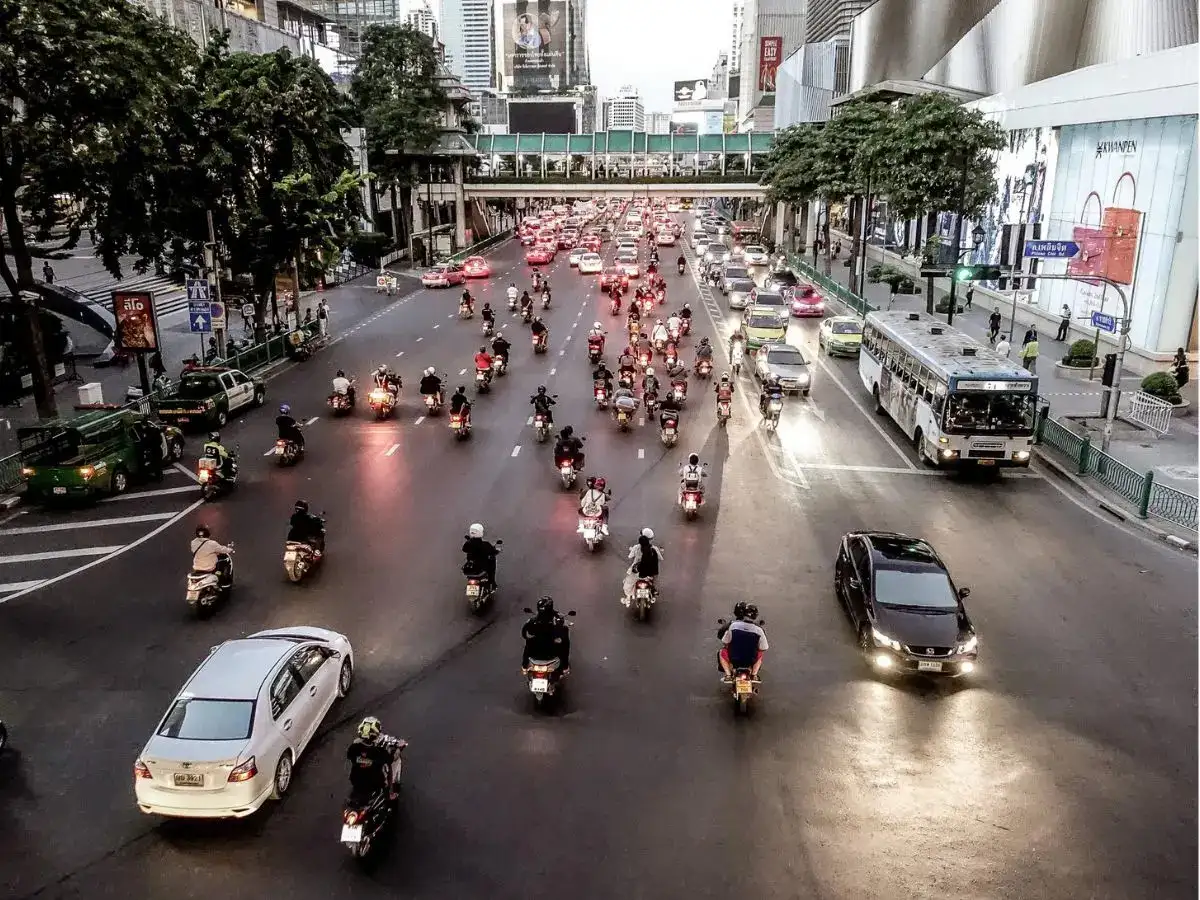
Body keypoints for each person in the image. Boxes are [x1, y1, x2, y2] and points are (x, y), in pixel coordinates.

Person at [346, 717, 406, 802]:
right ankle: (389, 795)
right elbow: (392, 758)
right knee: (387, 769)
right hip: (374, 783)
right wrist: (399, 748)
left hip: (355, 780)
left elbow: (350, 756)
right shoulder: (378, 752)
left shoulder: (353, 747)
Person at [719, 602, 768, 679]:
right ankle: (754, 675)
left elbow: (725, 641)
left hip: (734, 658)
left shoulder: (733, 626)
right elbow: (764, 648)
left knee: (722, 651)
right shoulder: (759, 630)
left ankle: (728, 675)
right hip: (751, 660)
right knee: (760, 653)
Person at [521, 596, 570, 673]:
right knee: (564, 645)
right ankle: (565, 667)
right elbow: (564, 640)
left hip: (534, 653)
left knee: (528, 643)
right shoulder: (558, 625)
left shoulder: (532, 622)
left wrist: (532, 638)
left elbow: (524, 635)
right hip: (551, 654)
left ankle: (524, 666)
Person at [621, 527, 663, 606]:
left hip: (637, 573)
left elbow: (630, 556)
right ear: (651, 538)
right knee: (654, 582)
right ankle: (653, 593)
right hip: (651, 574)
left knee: (627, 584)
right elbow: (660, 558)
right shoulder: (654, 549)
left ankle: (628, 598)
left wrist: (632, 550)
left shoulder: (636, 547)